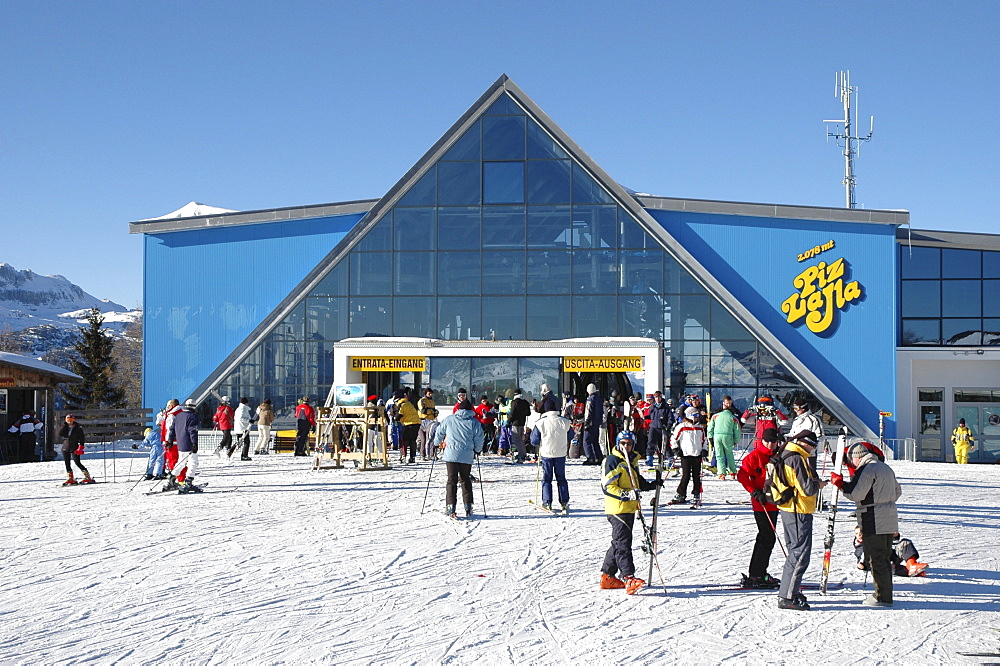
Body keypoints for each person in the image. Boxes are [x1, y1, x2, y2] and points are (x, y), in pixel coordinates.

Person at [830, 441, 904, 607]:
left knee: (876, 558)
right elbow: (897, 491)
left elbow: (856, 494)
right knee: (884, 558)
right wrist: (885, 501)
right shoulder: (885, 467)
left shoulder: (867, 469)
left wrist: (840, 483)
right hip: (889, 516)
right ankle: (884, 594)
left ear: (857, 457)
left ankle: (882, 597)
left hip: (873, 518)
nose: (851, 463)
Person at [765, 429, 826, 611]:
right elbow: (806, 488)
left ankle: (790, 590)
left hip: (789, 509)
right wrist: (819, 485)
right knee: (799, 554)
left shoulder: (786, 453)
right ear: (803, 442)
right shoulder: (796, 458)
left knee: (795, 552)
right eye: (812, 446)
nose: (813, 450)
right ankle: (787, 595)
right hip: (797, 509)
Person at [600, 430, 662, 595]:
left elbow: (636, 482)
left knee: (618, 542)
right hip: (618, 508)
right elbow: (608, 486)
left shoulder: (631, 461)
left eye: (629, 443)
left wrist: (651, 484)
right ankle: (628, 576)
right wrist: (626, 495)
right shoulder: (613, 461)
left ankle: (608, 576)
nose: (626, 447)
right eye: (623, 443)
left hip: (628, 508)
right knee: (623, 544)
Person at [736, 427, 782, 588]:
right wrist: (754, 491)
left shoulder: (779, 455)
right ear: (762, 441)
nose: (770, 444)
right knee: (767, 537)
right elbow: (741, 475)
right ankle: (757, 573)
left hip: (776, 501)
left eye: (773, 441)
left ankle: (757, 572)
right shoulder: (754, 456)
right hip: (761, 502)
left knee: (766, 537)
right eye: (767, 441)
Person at [433, 399, 484, 518]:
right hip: (466, 455)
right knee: (465, 479)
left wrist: (436, 443)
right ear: (470, 410)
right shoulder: (474, 422)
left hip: (451, 455)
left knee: (452, 480)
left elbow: (439, 432)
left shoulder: (449, 419)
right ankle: (468, 506)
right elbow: (479, 438)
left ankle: (450, 507)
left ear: (459, 409)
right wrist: (477, 450)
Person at [530, 402, 573, 512]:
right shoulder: (565, 421)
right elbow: (571, 435)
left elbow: (534, 440)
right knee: (561, 478)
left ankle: (547, 502)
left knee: (547, 479)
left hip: (546, 453)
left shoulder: (541, 422)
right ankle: (564, 502)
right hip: (561, 454)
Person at [667, 407, 707, 506]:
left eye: (698, 416)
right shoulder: (682, 426)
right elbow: (673, 438)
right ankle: (681, 494)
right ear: (689, 416)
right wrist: (675, 449)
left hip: (697, 454)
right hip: (685, 454)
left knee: (696, 476)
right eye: (695, 416)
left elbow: (704, 440)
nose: (697, 418)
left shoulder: (699, 427)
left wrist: (705, 450)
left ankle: (696, 494)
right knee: (686, 476)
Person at [854, 528, 928, 577]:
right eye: (857, 533)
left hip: (891, 555)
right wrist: (860, 565)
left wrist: (894, 536)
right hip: (880, 564)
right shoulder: (860, 546)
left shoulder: (874, 538)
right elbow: (861, 556)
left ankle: (912, 564)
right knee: (891, 569)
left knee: (905, 542)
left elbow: (891, 542)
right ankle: (912, 571)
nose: (859, 535)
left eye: (861, 532)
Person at [170, 399, 202, 493]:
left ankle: (172, 478)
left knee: (181, 462)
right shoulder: (193, 416)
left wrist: (170, 440)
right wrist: (195, 443)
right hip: (189, 443)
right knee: (193, 462)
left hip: (180, 443)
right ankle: (188, 482)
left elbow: (172, 429)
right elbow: (192, 431)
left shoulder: (178, 416)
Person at [708, 396, 741, 480]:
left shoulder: (715, 416)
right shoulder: (733, 418)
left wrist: (710, 437)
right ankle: (733, 472)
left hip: (717, 436)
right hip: (728, 436)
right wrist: (735, 440)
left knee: (719, 455)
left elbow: (710, 427)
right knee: (729, 455)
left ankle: (721, 473)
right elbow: (737, 431)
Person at [790, 398, 824, 471]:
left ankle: (814, 481)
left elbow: (820, 436)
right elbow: (792, 434)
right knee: (799, 470)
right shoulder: (796, 420)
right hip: (797, 449)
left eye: (796, 408)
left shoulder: (813, 419)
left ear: (803, 408)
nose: (795, 410)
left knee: (811, 471)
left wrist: (811, 445)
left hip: (809, 450)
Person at [58, 415, 93, 485]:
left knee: (77, 462)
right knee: (67, 463)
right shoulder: (65, 427)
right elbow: (60, 434)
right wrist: (64, 426)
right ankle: (70, 478)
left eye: (71, 421)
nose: (70, 422)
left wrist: (81, 446)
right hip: (66, 446)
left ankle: (87, 477)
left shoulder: (78, 428)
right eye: (68, 421)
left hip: (74, 446)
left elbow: (82, 438)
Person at [645, 392, 671, 468]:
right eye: (656, 397)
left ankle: (668, 459)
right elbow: (651, 415)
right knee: (651, 442)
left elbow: (670, 418)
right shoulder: (652, 406)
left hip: (662, 427)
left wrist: (668, 426)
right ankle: (649, 458)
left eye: (658, 397)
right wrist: (646, 417)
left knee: (664, 444)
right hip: (653, 426)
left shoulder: (665, 407)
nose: (657, 399)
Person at [161, 399, 182, 488]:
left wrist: (168, 440)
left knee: (173, 460)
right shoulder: (181, 413)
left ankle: (177, 480)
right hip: (179, 440)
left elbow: (169, 429)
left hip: (172, 442)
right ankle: (179, 479)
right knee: (179, 461)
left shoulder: (172, 415)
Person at [582, 383, 604, 466]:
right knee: (595, 441)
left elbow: (589, 412)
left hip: (590, 423)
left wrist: (586, 423)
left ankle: (590, 457)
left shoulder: (590, 399)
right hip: (597, 423)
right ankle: (599, 457)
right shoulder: (599, 399)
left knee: (586, 441)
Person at [507, 389, 531, 464]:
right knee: (520, 439)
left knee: (516, 439)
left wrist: (508, 421)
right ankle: (523, 453)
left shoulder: (515, 402)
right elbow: (528, 413)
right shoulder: (525, 402)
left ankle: (522, 454)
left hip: (515, 423)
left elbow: (512, 413)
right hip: (522, 422)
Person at [417, 388, 439, 461]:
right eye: (429, 393)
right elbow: (423, 411)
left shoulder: (432, 401)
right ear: (426, 393)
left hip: (430, 421)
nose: (430, 395)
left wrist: (434, 413)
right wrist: (432, 411)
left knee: (430, 438)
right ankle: (422, 454)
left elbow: (433, 410)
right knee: (423, 439)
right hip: (422, 420)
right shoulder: (422, 401)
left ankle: (430, 454)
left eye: (431, 393)